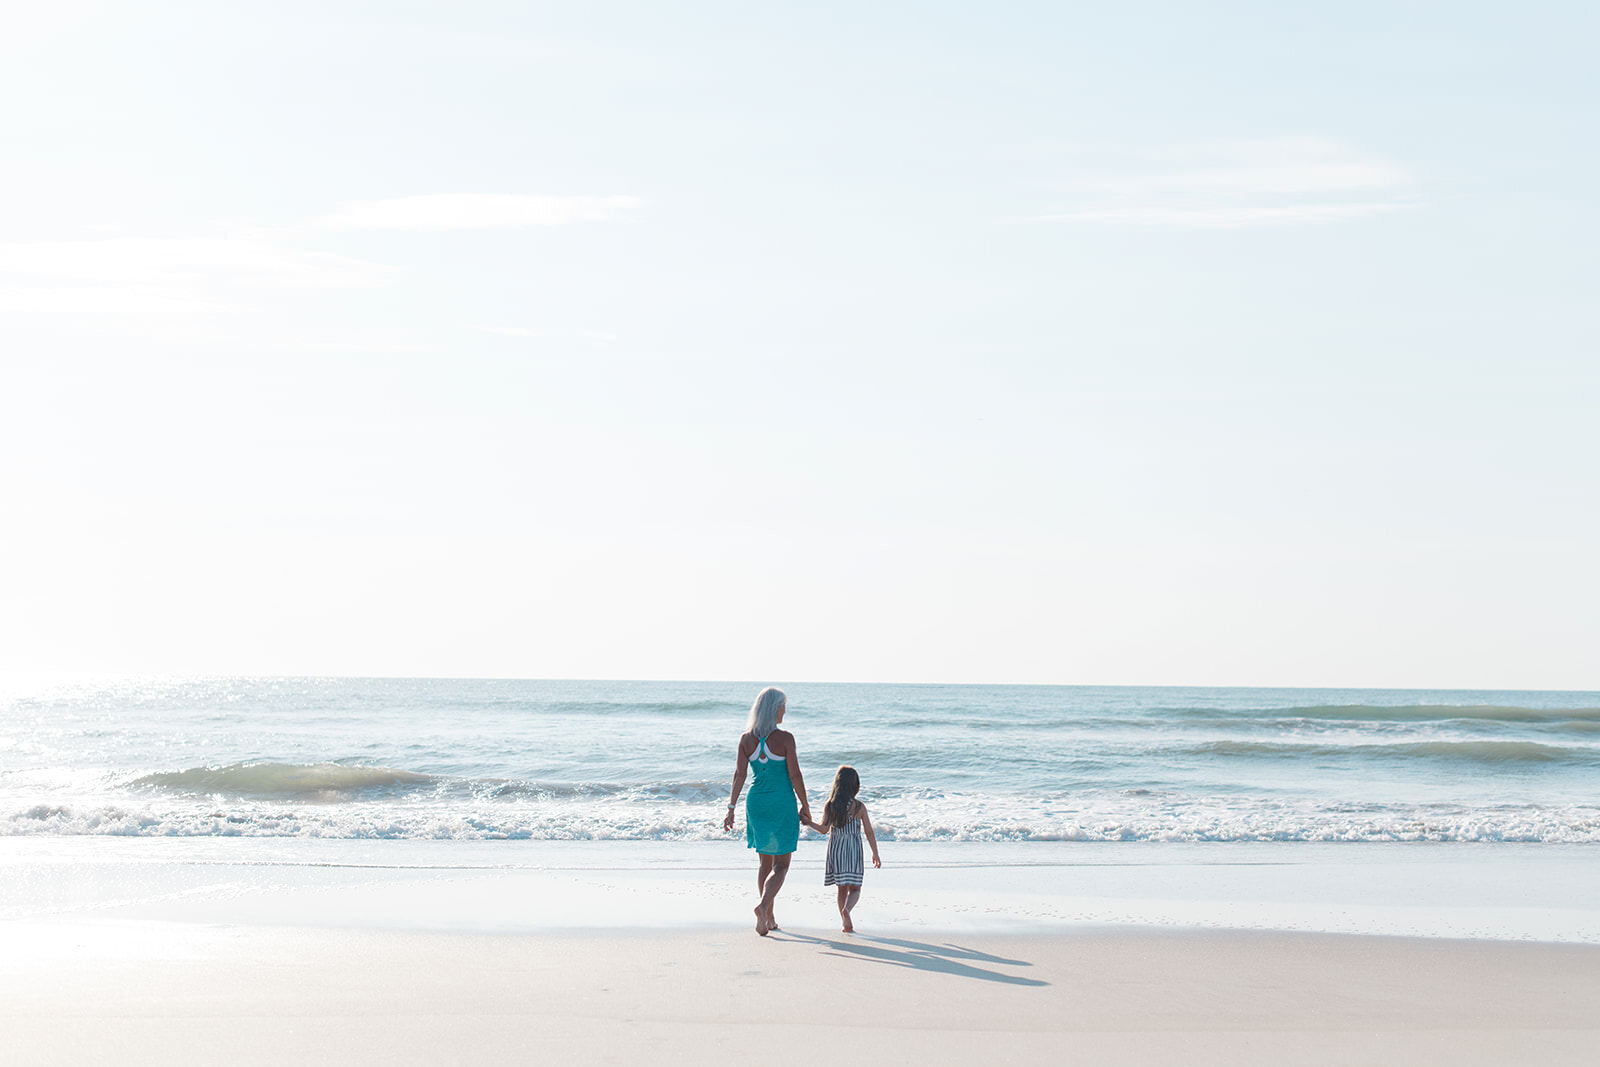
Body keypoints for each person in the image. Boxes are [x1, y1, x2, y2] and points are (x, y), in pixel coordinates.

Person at [723, 686, 811, 936]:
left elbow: (740, 775)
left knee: (765, 864)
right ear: (774, 708)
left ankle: (769, 917)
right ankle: (763, 908)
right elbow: (795, 774)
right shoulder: (785, 739)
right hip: (781, 803)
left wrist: (731, 808)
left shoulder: (746, 739)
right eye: (783, 705)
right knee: (781, 864)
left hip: (756, 803)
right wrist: (805, 805)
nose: (785, 710)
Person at [803, 764, 881, 933]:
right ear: (855, 786)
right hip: (853, 848)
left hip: (837, 848)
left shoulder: (831, 806)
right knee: (855, 888)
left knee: (841, 888)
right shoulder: (859, 807)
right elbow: (868, 831)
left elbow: (824, 830)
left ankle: (844, 921)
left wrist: (808, 822)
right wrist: (875, 853)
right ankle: (847, 910)